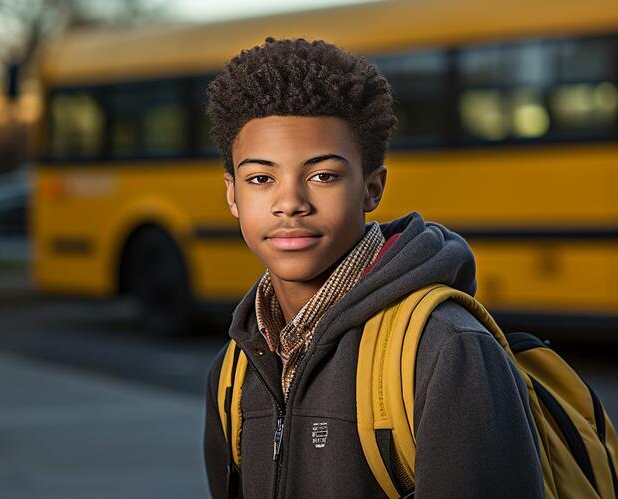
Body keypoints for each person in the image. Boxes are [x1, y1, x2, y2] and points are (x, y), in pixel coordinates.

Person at [202, 37, 544, 499]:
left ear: (372, 188)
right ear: (232, 194)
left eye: (323, 175)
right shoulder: (235, 369)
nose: (290, 203)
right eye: (261, 178)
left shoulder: (447, 351)